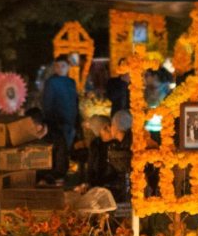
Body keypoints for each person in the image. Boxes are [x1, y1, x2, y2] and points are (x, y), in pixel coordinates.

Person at [40, 56, 79, 184]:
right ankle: (56, 178)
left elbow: (75, 102)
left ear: (68, 67)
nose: (60, 69)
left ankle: (65, 177)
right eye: (57, 66)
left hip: (70, 123)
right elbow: (47, 104)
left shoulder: (71, 82)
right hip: (57, 123)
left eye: (63, 66)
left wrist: (77, 121)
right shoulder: (51, 82)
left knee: (67, 151)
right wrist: (50, 122)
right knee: (59, 152)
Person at [79, 112, 132, 204]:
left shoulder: (121, 143)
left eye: (109, 125)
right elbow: (91, 167)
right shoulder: (96, 145)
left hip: (119, 189)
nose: (109, 130)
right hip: (103, 187)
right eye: (104, 128)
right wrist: (89, 183)